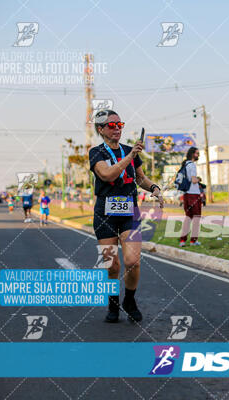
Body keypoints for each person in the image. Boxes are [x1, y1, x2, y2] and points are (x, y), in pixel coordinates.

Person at [88, 109, 164, 323]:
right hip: (105, 212)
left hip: (129, 210)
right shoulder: (96, 153)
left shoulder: (130, 151)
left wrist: (154, 188)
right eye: (112, 126)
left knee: (132, 261)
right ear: (101, 129)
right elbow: (106, 174)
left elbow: (140, 178)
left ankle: (129, 300)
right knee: (111, 264)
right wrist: (130, 156)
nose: (117, 129)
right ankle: (113, 304)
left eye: (119, 125)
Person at [179, 146, 202, 247]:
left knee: (188, 217)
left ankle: (182, 240)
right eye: (197, 153)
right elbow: (193, 180)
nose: (198, 155)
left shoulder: (185, 164)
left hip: (186, 194)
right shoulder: (192, 165)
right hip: (194, 194)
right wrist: (199, 179)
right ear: (193, 154)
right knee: (196, 218)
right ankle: (193, 241)